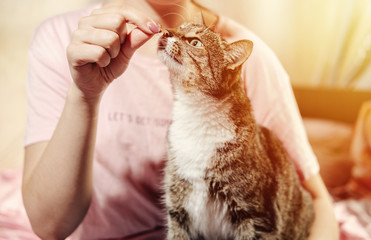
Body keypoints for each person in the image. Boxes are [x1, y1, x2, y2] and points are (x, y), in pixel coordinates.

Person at [22, 0, 339, 239]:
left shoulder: (250, 62)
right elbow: (49, 226)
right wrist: (84, 94)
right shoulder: (61, 39)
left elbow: (316, 201)